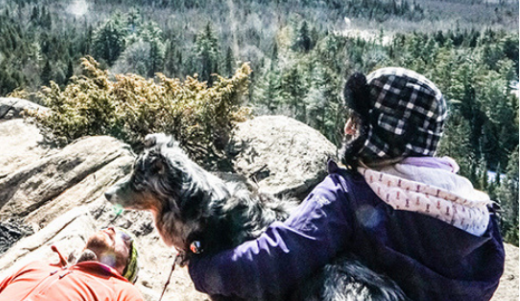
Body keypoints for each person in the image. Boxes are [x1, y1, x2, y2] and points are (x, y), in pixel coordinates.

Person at [188, 67, 505, 301]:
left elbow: (275, 259)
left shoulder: (350, 194)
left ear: (385, 132)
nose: (347, 128)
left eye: (358, 120)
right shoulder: (481, 218)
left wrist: (202, 268)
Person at [0, 226, 143, 301]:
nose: (111, 229)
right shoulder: (37, 266)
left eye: (124, 238)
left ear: (125, 269)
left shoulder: (123, 292)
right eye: (108, 227)